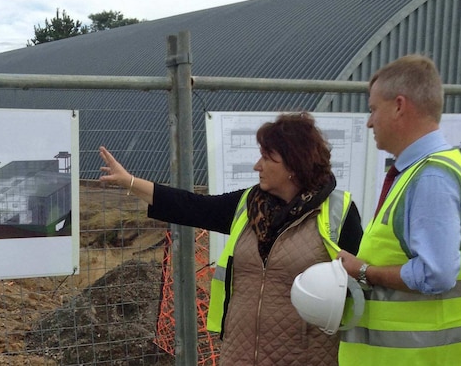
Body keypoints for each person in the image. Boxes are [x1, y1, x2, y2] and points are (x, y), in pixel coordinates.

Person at [100, 112, 363, 365]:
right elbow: (193, 206)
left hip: (304, 357)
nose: (257, 166)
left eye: (267, 158)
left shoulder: (339, 213)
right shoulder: (250, 204)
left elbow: (358, 289)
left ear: (294, 164)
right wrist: (129, 182)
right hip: (240, 353)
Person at [337, 54, 461, 365]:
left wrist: (364, 271)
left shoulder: (431, 176)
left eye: (373, 109)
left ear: (400, 106)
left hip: (432, 356)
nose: (369, 121)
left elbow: (436, 274)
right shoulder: (427, 170)